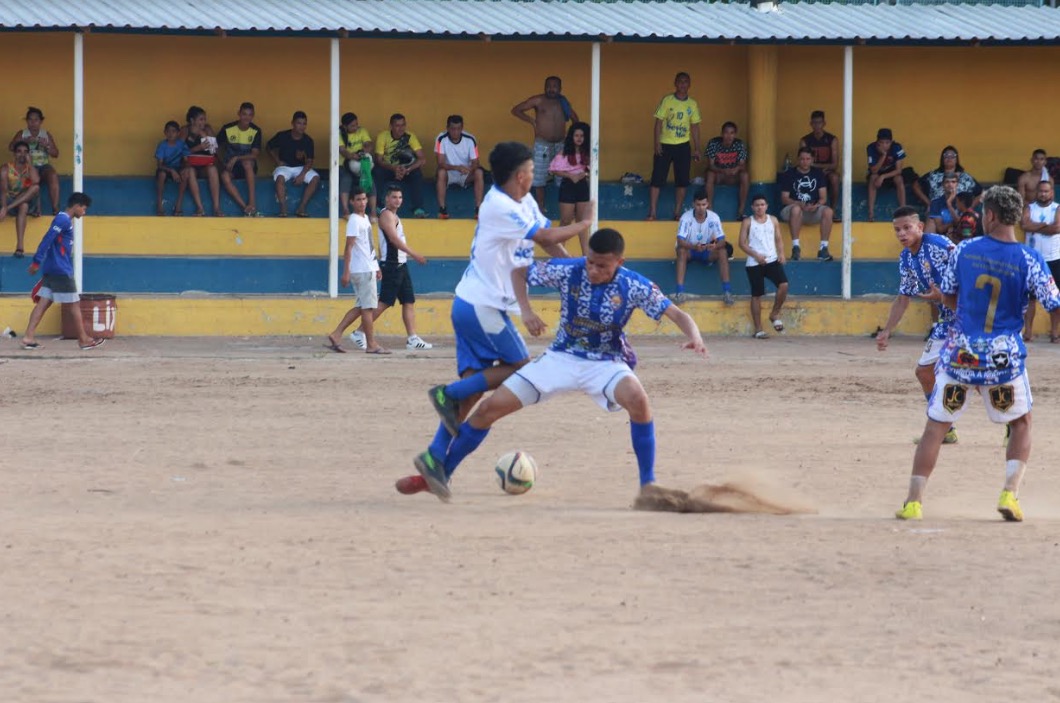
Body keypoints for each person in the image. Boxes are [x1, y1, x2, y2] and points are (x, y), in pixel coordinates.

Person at [411, 227, 707, 502]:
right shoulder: (570, 269)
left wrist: (695, 336)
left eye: (602, 265)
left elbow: (678, 314)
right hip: (559, 358)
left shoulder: (634, 284)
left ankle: (647, 485)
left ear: (619, 261)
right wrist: (525, 310)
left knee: (638, 400)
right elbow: (519, 272)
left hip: (605, 362)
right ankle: (442, 473)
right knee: (489, 408)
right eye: (590, 261)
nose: (593, 269)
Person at [394, 141, 593, 497]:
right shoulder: (499, 205)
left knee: (471, 396)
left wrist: (576, 272)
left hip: (473, 303)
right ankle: (447, 392)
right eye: (532, 171)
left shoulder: (524, 201)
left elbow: (549, 244)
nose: (534, 175)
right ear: (521, 176)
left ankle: (435, 460)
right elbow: (546, 235)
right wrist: (586, 222)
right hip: (483, 307)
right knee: (519, 365)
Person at [896, 186, 1060, 522]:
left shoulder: (965, 250)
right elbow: (1053, 303)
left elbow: (949, 298)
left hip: (961, 353)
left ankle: (913, 502)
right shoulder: (1030, 259)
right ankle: (1009, 495)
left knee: (936, 425)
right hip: (1003, 359)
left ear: (991, 216)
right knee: (1021, 423)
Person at [875, 206, 959, 444]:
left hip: (968, 316)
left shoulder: (940, 245)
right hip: (946, 320)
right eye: (897, 230)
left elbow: (969, 272)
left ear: (920, 227)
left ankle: (1011, 423)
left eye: (907, 228)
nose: (902, 234)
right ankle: (947, 428)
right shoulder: (905, 258)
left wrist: (942, 296)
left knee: (973, 375)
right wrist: (887, 330)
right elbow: (903, 297)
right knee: (924, 372)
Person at [19, 192, 105, 351]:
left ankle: (28, 337)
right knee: (74, 304)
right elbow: (47, 238)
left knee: (43, 303)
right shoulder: (63, 219)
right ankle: (84, 340)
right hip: (60, 269)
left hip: (52, 269)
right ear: (77, 206)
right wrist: (36, 261)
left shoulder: (64, 220)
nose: (84, 213)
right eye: (84, 209)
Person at [360, 184, 433, 350]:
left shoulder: (393, 215)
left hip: (401, 263)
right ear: (387, 198)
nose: (397, 200)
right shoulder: (386, 215)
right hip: (392, 264)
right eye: (394, 197)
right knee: (384, 302)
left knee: (408, 301)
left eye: (400, 197)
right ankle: (360, 331)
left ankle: (412, 338)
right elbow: (393, 239)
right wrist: (414, 254)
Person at [326, 187, 388, 354]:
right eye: (358, 200)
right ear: (352, 202)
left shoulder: (365, 218)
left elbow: (368, 245)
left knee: (361, 306)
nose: (362, 203)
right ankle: (371, 344)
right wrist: (346, 272)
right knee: (367, 308)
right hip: (361, 270)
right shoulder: (354, 220)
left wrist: (375, 266)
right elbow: (349, 247)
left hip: (367, 268)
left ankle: (336, 334)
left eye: (363, 199)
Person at [510, 76, 579, 212]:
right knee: (539, 178)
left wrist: (571, 138)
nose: (551, 89)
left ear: (560, 88)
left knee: (562, 178)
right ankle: (541, 207)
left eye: (554, 86)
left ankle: (565, 206)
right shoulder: (538, 100)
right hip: (543, 144)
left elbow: (575, 119)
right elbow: (516, 110)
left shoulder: (563, 102)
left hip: (560, 145)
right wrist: (531, 120)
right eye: (548, 86)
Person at [648, 72, 701, 222]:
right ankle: (652, 213)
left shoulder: (692, 104)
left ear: (689, 85)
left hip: (683, 146)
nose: (683, 84)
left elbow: (695, 126)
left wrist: (697, 148)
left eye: (686, 82)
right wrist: (656, 143)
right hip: (665, 145)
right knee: (656, 179)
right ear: (675, 83)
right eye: (680, 81)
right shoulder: (667, 100)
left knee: (682, 181)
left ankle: (677, 213)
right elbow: (658, 123)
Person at [738, 194, 788, 339]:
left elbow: (778, 238)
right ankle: (758, 329)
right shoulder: (748, 222)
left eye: (762, 204)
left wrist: (782, 253)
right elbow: (742, 243)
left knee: (783, 285)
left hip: (772, 259)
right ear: (752, 207)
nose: (760, 207)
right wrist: (756, 256)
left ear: (766, 206)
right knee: (756, 295)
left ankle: (774, 314)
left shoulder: (773, 220)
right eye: (757, 205)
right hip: (754, 262)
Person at [673, 189, 733, 305]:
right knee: (681, 251)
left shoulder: (714, 217)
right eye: (698, 205)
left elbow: (722, 240)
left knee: (722, 252)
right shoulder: (685, 217)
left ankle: (727, 292)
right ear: (693, 204)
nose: (701, 207)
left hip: (707, 251)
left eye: (704, 204)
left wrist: (713, 246)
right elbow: (680, 241)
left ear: (708, 204)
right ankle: (679, 292)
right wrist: (694, 247)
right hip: (691, 250)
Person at [1021, 180, 1060, 342]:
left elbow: (1057, 228)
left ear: (1052, 192)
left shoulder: (1057, 208)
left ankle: (1054, 333)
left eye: (1046, 191)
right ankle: (1028, 332)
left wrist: (1035, 226)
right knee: (1030, 299)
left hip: (1054, 259)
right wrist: (1045, 225)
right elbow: (1024, 225)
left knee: (1056, 298)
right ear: (1037, 192)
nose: (1043, 194)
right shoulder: (1029, 208)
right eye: (1041, 191)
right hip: (1032, 260)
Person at [778, 147, 834, 261]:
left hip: (812, 209)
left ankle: (823, 249)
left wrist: (816, 205)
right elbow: (784, 198)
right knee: (796, 209)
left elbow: (823, 198)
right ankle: (795, 247)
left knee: (828, 211)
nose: (805, 161)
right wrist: (798, 203)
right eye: (802, 159)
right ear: (798, 159)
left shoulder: (818, 174)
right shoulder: (789, 173)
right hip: (791, 210)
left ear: (812, 160)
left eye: (808, 159)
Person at [372, 113, 428, 219]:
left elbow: (422, 158)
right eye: (397, 125)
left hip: (405, 169)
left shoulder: (410, 137)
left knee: (417, 174)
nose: (401, 128)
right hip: (389, 168)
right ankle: (378, 207)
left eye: (403, 125)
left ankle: (418, 208)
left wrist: (408, 169)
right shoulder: (383, 136)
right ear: (391, 126)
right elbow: (378, 160)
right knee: (377, 171)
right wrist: (394, 168)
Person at [548, 122, 592, 254]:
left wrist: (584, 174)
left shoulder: (589, 153)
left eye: (582, 136)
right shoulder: (564, 152)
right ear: (571, 137)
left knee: (582, 222)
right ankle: (560, 254)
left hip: (582, 185)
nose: (579, 138)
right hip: (568, 185)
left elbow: (592, 170)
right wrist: (570, 176)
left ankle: (585, 254)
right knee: (566, 221)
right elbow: (553, 169)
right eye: (576, 135)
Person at [267, 111, 320, 218]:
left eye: (304, 123)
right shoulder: (282, 135)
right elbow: (268, 147)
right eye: (299, 123)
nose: (302, 126)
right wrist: (277, 161)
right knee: (280, 179)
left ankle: (301, 207)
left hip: (301, 168)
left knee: (315, 178)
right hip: (284, 167)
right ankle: (283, 209)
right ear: (292, 123)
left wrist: (302, 175)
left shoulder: (308, 140)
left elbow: (309, 161)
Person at [8, 107, 59, 216]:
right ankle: (36, 209)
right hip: (26, 166)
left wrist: (47, 146)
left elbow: (56, 154)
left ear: (41, 121)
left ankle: (55, 208)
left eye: (36, 120)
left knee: (53, 175)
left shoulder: (46, 135)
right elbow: (11, 147)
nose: (33, 123)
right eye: (30, 120)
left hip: (43, 166)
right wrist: (23, 141)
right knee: (32, 180)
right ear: (27, 121)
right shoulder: (22, 133)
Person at [434, 114, 484, 220]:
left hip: (465, 174)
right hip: (449, 173)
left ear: (462, 128)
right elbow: (440, 163)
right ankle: (442, 209)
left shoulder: (470, 139)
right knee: (441, 172)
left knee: (479, 172)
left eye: (458, 129)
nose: (455, 132)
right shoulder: (441, 139)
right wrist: (457, 168)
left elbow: (476, 162)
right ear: (447, 128)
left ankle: (478, 209)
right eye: (452, 129)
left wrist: (469, 169)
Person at [218, 102, 262, 216]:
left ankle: (252, 202)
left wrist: (237, 158)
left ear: (253, 116)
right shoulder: (227, 128)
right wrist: (222, 162)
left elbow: (254, 155)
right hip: (231, 167)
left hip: (248, 168)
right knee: (224, 176)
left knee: (247, 163)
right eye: (244, 114)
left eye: (250, 114)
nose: (247, 117)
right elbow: (215, 146)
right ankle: (245, 207)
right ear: (239, 114)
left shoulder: (256, 130)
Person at [0, 141, 41, 257]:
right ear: (14, 154)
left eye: (25, 152)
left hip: (23, 200)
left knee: (35, 188)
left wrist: (30, 163)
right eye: (19, 152)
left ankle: (20, 244)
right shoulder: (5, 169)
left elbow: (36, 181)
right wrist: (3, 206)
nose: (22, 154)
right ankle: (20, 247)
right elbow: (3, 190)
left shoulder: (30, 169)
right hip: (10, 200)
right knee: (24, 206)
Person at [181, 105, 222, 217]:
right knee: (190, 171)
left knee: (213, 169)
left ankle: (217, 208)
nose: (203, 122)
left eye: (204, 119)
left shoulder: (207, 129)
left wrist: (204, 135)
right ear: (192, 120)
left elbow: (215, 150)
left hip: (205, 165)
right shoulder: (185, 130)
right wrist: (198, 148)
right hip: (190, 165)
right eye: (201, 119)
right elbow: (179, 151)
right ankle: (200, 208)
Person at [703, 121, 749, 221]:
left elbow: (742, 165)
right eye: (726, 133)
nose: (729, 136)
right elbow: (710, 165)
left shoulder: (739, 144)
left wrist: (734, 169)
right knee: (710, 174)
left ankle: (741, 212)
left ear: (735, 134)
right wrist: (723, 170)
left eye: (732, 133)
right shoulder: (714, 143)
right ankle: (709, 210)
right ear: (722, 133)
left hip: (733, 176)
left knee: (745, 175)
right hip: (719, 175)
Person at [798, 110, 840, 215]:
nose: (817, 125)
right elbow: (803, 162)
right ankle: (806, 208)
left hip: (826, 172)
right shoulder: (805, 140)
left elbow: (834, 165)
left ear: (824, 123)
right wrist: (815, 168)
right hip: (810, 172)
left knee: (835, 178)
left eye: (820, 122)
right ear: (811, 124)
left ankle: (833, 210)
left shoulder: (832, 139)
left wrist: (816, 166)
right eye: (815, 123)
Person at [912, 145, 981, 209]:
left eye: (952, 156)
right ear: (942, 159)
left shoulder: (966, 177)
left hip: (960, 213)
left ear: (957, 159)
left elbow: (982, 194)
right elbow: (916, 185)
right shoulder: (933, 175)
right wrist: (929, 203)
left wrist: (969, 209)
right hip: (937, 211)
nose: (949, 158)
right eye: (946, 155)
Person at [338, 112, 375, 220]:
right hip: (343, 165)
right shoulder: (339, 133)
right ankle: (345, 209)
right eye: (352, 126)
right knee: (346, 179)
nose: (355, 127)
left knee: (369, 179)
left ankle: (373, 211)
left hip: (360, 163)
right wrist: (353, 156)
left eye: (356, 124)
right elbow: (343, 151)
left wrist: (364, 151)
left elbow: (369, 144)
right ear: (345, 126)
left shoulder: (362, 131)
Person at [866, 128, 907, 222]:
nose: (885, 145)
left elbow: (899, 170)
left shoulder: (897, 147)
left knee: (899, 179)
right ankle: (871, 213)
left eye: (887, 142)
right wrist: (883, 155)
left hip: (891, 174)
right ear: (877, 142)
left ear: (891, 142)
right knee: (873, 178)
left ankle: (904, 210)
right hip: (877, 174)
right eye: (882, 142)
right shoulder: (871, 147)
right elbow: (873, 170)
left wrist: (883, 177)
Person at [154, 120, 190, 216]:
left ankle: (178, 205)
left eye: (173, 131)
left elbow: (186, 160)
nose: (171, 134)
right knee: (161, 174)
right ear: (165, 133)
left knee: (186, 173)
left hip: (177, 168)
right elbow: (159, 165)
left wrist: (185, 168)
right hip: (165, 169)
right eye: (168, 131)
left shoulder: (181, 144)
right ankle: (159, 205)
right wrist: (171, 170)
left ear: (178, 133)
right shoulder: (162, 145)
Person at [925, 171, 960, 239]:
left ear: (957, 184)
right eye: (947, 182)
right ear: (943, 185)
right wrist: (953, 224)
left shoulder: (962, 201)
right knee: (931, 221)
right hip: (942, 235)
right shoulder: (936, 203)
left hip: (960, 234)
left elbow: (964, 223)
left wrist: (949, 204)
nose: (950, 184)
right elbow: (940, 229)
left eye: (953, 182)